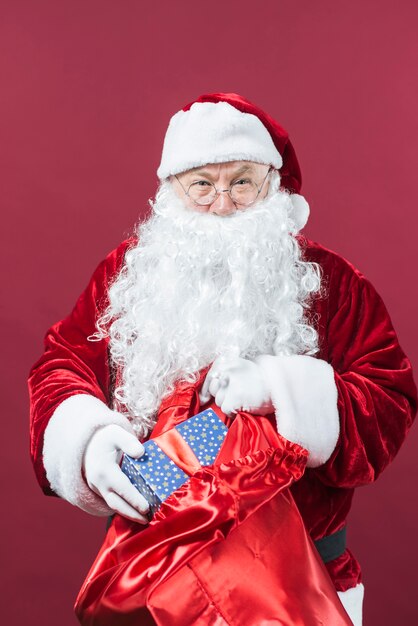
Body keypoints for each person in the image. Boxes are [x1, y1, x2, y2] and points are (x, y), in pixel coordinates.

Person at [29, 92, 417, 625]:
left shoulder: (333, 284)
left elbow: (389, 399)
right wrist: (85, 440)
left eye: (241, 181)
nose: (224, 203)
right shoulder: (128, 273)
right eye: (202, 185)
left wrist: (280, 389)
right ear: (171, 191)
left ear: (272, 185)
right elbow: (61, 364)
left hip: (300, 580)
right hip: (155, 573)